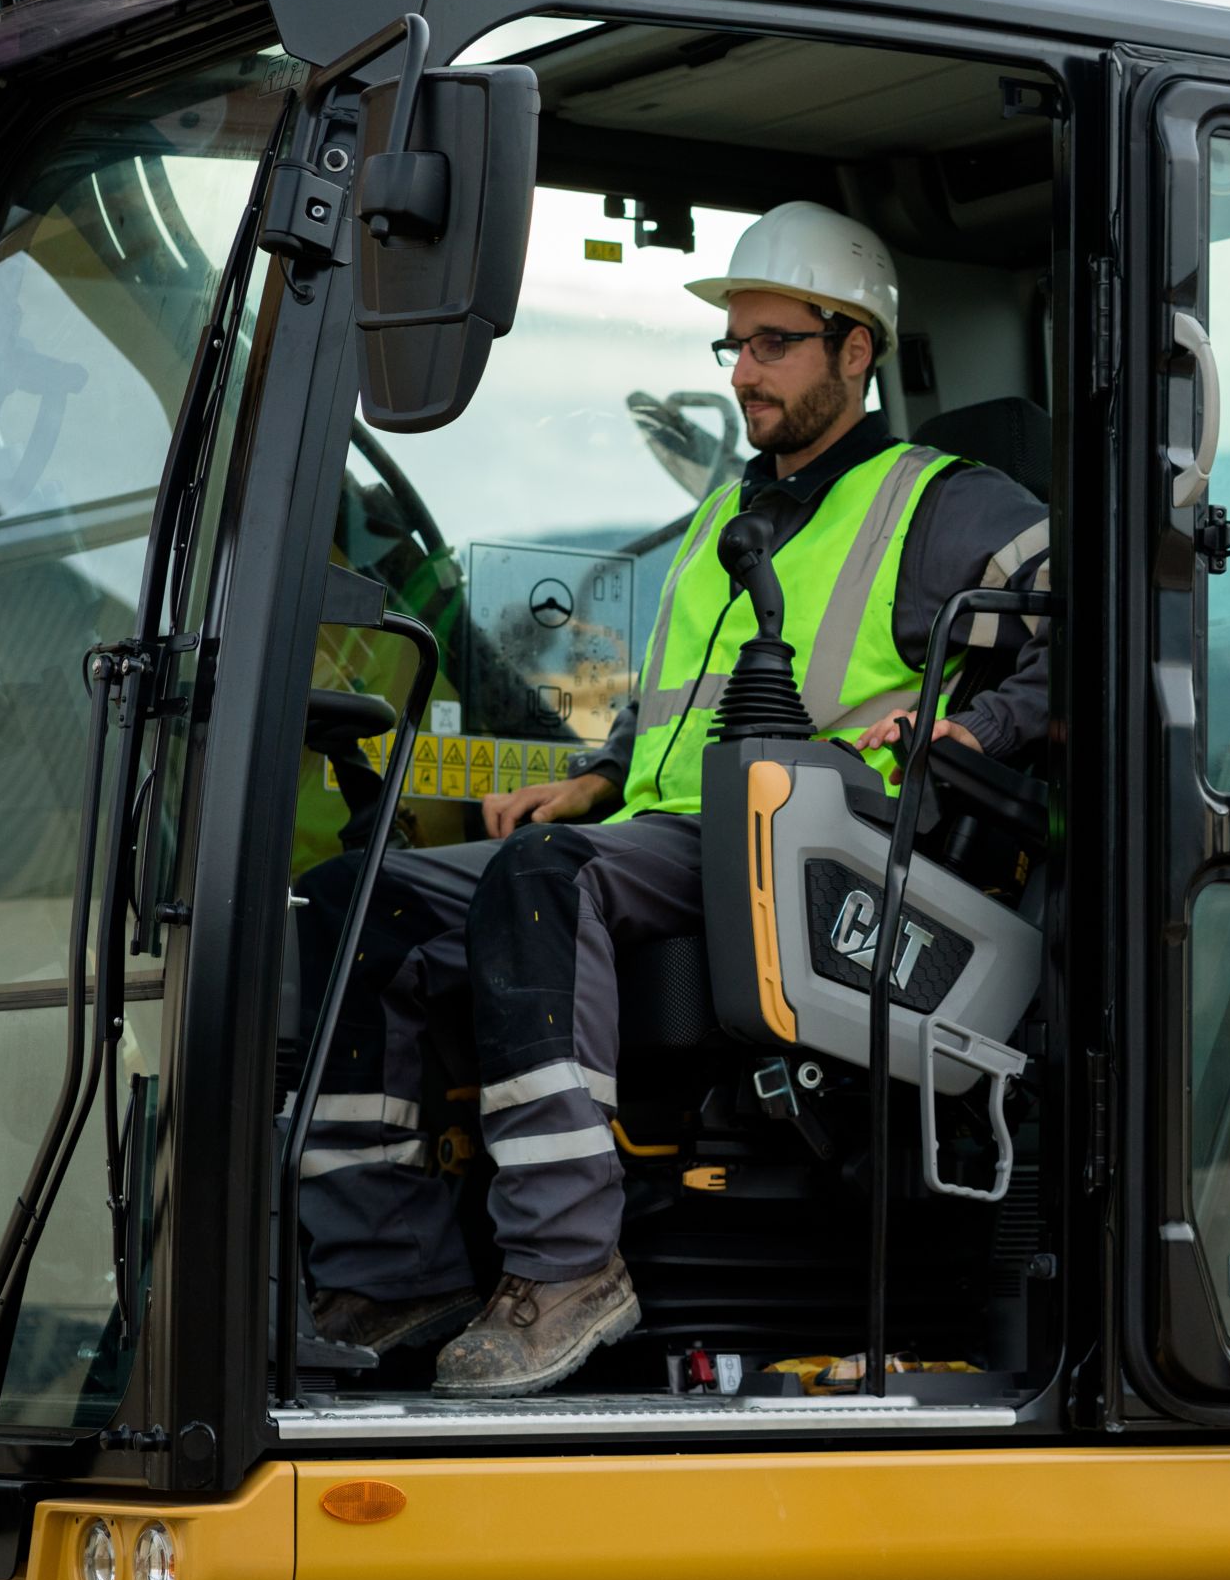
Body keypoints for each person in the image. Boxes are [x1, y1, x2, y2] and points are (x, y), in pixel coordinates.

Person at [293, 201, 1051, 1398]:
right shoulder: (724, 521)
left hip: (826, 851)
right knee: (352, 900)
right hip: (673, 833)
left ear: (857, 352)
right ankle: (391, 1272)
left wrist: (976, 724)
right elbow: (674, 715)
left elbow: (1090, 629)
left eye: (773, 344)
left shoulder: (944, 502)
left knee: (550, 885)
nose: (744, 373)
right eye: (733, 347)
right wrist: (593, 776)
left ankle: (566, 1267)